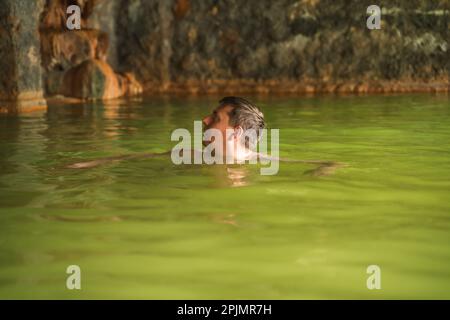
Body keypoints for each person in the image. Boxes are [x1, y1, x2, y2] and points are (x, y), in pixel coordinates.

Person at [66, 96, 345, 176]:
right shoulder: (191, 154)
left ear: (236, 132)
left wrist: (321, 172)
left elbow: (332, 162)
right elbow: (131, 158)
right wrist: (84, 165)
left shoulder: (261, 161)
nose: (204, 120)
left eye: (215, 117)